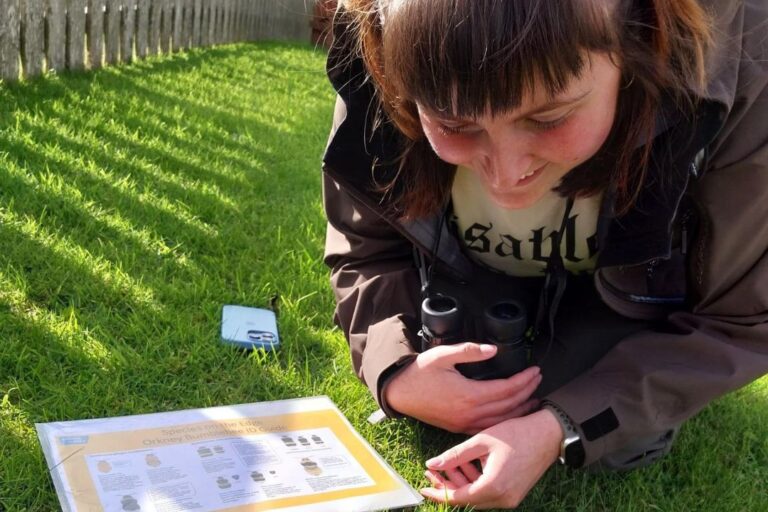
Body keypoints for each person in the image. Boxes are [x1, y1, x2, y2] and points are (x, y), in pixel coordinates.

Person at [321, 0, 768, 508]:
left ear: (638, 38)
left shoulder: (751, 56)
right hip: (468, 283)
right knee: (463, 372)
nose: (505, 176)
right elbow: (365, 248)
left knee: (616, 438)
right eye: (454, 123)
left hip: (630, 303)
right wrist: (394, 370)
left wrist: (564, 425)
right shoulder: (375, 38)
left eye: (549, 117)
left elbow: (741, 320)